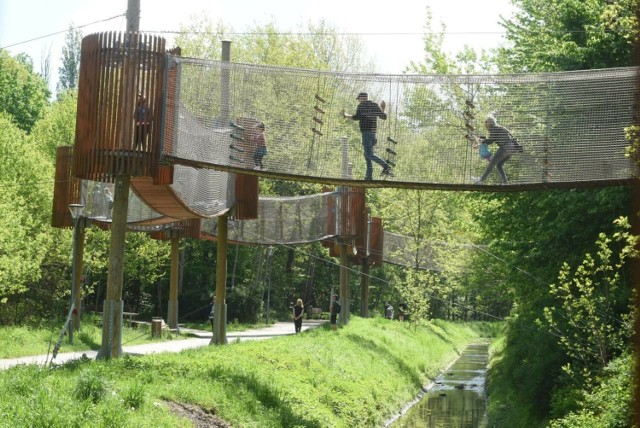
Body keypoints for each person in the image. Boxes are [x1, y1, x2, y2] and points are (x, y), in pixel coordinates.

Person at [342, 92, 392, 180]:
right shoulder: (374, 105)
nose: (359, 101)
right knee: (367, 155)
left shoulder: (361, 106)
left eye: (359, 99)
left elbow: (356, 117)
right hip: (373, 134)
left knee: (368, 154)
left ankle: (386, 166)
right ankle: (369, 176)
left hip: (366, 133)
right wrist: (383, 108)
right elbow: (383, 117)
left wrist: (346, 115)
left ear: (362, 98)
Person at [475, 116, 518, 185]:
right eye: (485, 122)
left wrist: (482, 140)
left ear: (491, 122)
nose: (485, 123)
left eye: (486, 122)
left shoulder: (494, 128)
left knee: (492, 163)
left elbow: (490, 141)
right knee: (499, 165)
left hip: (505, 147)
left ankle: (481, 181)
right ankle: (505, 182)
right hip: (512, 148)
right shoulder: (499, 128)